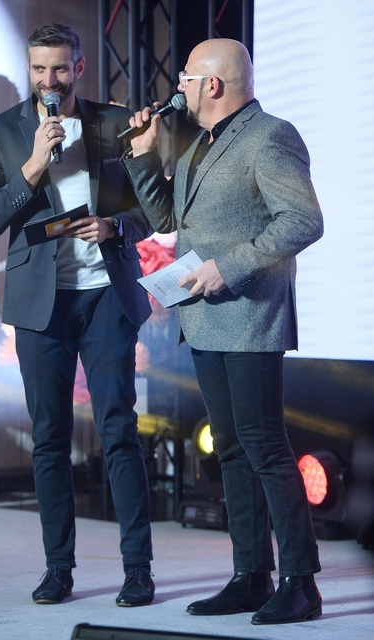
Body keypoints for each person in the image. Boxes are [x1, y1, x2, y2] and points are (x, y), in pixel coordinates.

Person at [123, 38, 323, 625]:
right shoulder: (198, 144)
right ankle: (251, 575)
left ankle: (301, 584)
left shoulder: (271, 136)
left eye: (186, 77)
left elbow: (303, 220)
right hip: (204, 317)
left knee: (265, 446)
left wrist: (228, 267)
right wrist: (144, 156)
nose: (179, 87)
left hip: (250, 316)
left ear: (211, 85)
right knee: (231, 448)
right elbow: (168, 220)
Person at [0, 23, 155, 607]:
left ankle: (138, 569)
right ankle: (58, 569)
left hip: (105, 296)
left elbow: (152, 211)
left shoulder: (115, 122)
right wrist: (32, 166)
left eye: (58, 68)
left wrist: (115, 225)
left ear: (78, 67)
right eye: (38, 69)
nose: (47, 80)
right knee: (49, 438)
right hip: (41, 305)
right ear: (29, 70)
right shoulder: (1, 132)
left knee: (119, 430)